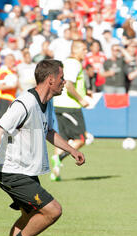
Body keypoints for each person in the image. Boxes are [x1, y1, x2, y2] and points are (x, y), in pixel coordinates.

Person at [0, 59, 85, 236]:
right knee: (53, 210)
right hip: (11, 172)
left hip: (26, 172)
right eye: (62, 78)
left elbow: (48, 131)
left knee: (29, 216)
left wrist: (71, 150)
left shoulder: (48, 102)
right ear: (50, 79)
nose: (64, 82)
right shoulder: (24, 103)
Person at [51, 40, 89, 181]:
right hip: (70, 106)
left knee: (64, 139)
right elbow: (69, 85)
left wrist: (85, 92)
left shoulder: (65, 62)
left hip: (60, 104)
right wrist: (81, 99)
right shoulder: (74, 63)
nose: (86, 52)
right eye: (84, 49)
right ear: (76, 50)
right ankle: (59, 158)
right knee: (81, 138)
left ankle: (55, 173)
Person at [0, 54, 18, 119]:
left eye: (13, 60)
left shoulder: (12, 71)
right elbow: (1, 87)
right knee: (3, 120)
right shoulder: (3, 71)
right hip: (5, 98)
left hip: (11, 98)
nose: (12, 62)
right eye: (10, 60)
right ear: (6, 61)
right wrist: (12, 86)